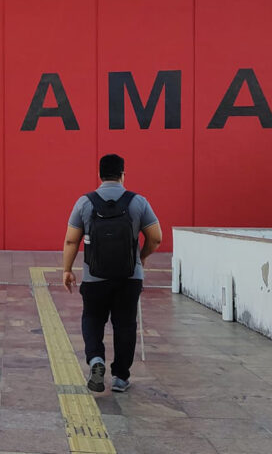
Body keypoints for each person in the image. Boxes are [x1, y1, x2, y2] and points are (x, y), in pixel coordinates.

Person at [62, 153, 161, 393]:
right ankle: (120, 378)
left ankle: (96, 360)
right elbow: (156, 237)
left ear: (99, 174)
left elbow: (71, 241)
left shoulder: (85, 202)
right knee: (125, 324)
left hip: (94, 278)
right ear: (123, 174)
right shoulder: (138, 202)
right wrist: (142, 257)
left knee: (93, 319)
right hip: (129, 277)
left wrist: (67, 270)